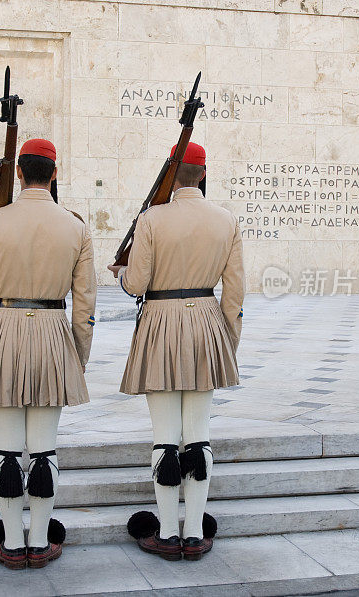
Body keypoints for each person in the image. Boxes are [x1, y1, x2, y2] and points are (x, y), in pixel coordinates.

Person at [0, 138, 96, 570]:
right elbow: (85, 304)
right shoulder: (75, 227)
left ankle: (11, 542)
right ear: (54, 173)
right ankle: (39, 542)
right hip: (53, 333)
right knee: (44, 450)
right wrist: (77, 356)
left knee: (5, 451)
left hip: (2, 332)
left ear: (19, 173)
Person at [108, 141, 244, 561]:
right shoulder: (227, 221)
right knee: (199, 435)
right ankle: (196, 531)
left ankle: (167, 533)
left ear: (172, 173)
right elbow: (235, 292)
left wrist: (121, 274)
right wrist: (226, 341)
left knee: (165, 437)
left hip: (162, 321)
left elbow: (137, 284)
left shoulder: (151, 219)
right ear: (203, 174)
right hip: (206, 320)